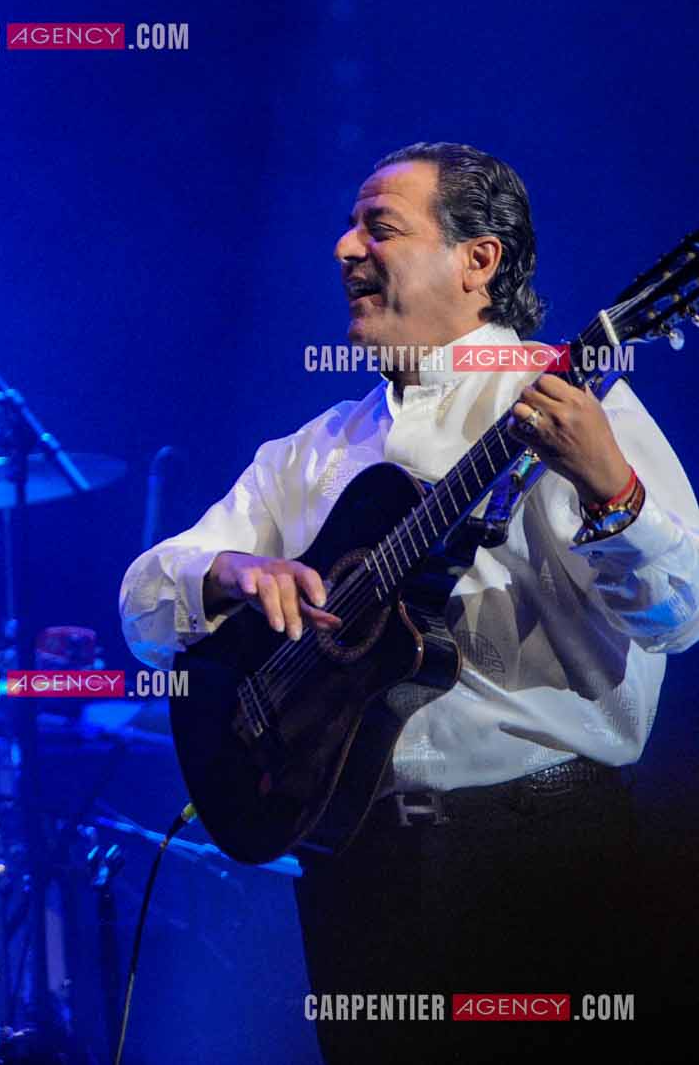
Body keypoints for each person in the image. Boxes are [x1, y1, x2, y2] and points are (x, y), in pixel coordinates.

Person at [119, 143, 698, 1061]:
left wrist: (612, 491)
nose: (346, 248)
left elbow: (679, 614)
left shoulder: (571, 399)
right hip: (353, 864)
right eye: (349, 226)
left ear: (479, 260)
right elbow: (148, 601)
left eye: (379, 226)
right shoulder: (312, 449)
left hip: (540, 858)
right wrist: (230, 572)